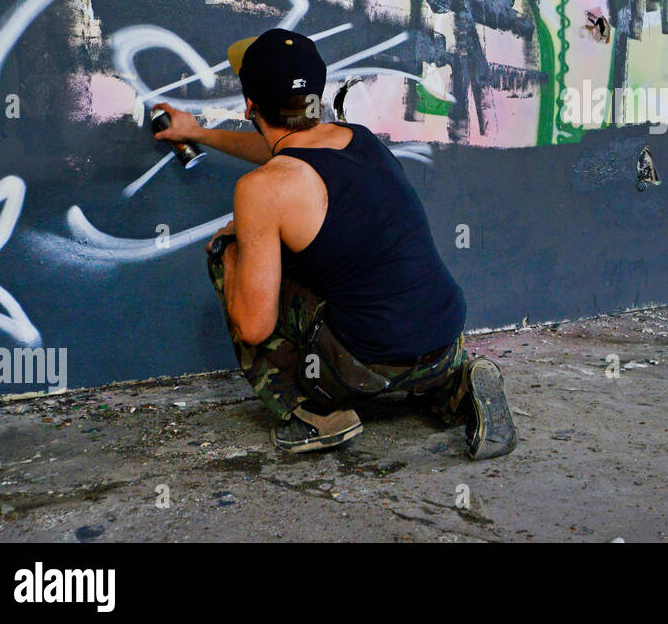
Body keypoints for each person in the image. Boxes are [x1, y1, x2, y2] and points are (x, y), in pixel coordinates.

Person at [153, 28, 516, 458]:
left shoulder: (263, 189)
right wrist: (201, 134)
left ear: (250, 106)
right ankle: (455, 388)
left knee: (235, 260)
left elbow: (254, 327)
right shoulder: (358, 139)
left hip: (365, 366)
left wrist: (231, 248)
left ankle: (311, 416)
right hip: (443, 339)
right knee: (361, 290)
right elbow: (284, 148)